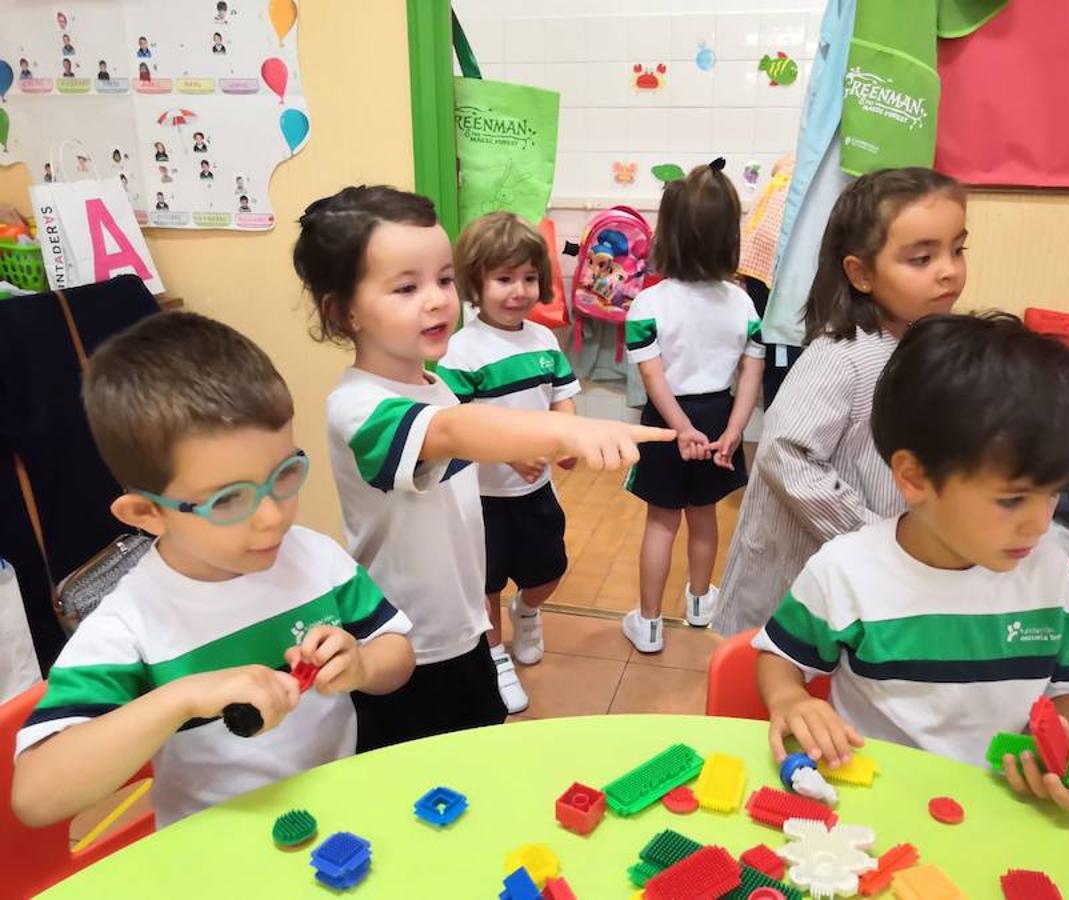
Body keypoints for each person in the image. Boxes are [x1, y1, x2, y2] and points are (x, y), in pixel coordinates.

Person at [292, 185, 672, 750]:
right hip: (405, 644)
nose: (437, 300)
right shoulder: (359, 408)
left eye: (443, 280)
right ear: (342, 311)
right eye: (405, 287)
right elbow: (453, 431)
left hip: (461, 629)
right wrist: (569, 429)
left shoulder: (437, 382)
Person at [11, 313, 416, 829]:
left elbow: (398, 652)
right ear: (147, 514)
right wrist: (179, 698)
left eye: (284, 473)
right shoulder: (131, 623)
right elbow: (36, 796)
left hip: (338, 813)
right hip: (215, 846)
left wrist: (360, 665)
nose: (272, 516)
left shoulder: (313, 557)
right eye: (228, 501)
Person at [756, 312, 1069, 810]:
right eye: (1012, 500)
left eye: (1052, 494)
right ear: (916, 478)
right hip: (879, 803)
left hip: (1003, 808)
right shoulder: (846, 571)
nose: (1038, 524)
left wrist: (1061, 737)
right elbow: (779, 657)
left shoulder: (1049, 572)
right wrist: (790, 700)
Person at [712, 168, 968, 637]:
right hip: (801, 577)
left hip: (872, 575)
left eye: (957, 249)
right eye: (921, 258)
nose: (949, 269)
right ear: (861, 273)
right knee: (782, 683)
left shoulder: (922, 345)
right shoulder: (841, 355)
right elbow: (784, 454)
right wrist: (873, 537)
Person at [620, 158, 765, 653]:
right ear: (729, 236)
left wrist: (681, 429)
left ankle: (650, 623)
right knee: (705, 515)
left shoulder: (650, 303)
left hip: (668, 424)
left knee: (662, 521)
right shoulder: (743, 303)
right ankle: (701, 603)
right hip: (719, 418)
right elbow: (751, 372)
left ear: (670, 233)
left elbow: (652, 378)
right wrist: (734, 430)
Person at [437, 212, 580, 714]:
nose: (518, 290)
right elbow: (454, 424)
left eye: (528, 278)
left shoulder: (543, 342)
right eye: (503, 279)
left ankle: (530, 610)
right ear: (475, 283)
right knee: (487, 583)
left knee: (549, 568)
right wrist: (507, 451)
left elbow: (562, 396)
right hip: (481, 497)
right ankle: (495, 655)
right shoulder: (461, 351)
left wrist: (566, 436)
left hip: (536, 491)